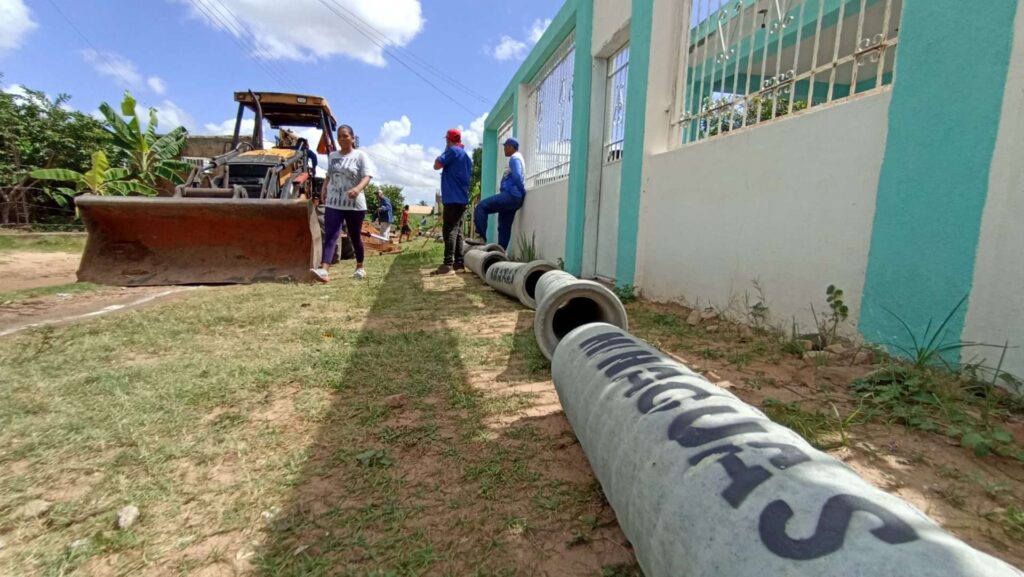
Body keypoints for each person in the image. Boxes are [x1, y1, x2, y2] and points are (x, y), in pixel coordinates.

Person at [311, 124, 376, 282]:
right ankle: (324, 270)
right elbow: (329, 175)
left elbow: (367, 176)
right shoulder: (333, 156)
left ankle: (360, 267)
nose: (342, 139)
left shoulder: (360, 156)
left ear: (352, 138)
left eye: (345, 136)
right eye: (339, 136)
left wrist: (357, 189)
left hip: (354, 205)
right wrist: (324, 188)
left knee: (354, 236)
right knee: (331, 234)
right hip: (334, 202)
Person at [431, 128, 473, 274]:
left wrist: (445, 150)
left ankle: (447, 264)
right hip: (462, 199)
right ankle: (459, 264)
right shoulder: (466, 157)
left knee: (449, 230)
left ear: (448, 140)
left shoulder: (452, 151)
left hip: (451, 198)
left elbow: (436, 165)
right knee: (459, 231)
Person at [473, 137, 525, 250]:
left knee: (481, 206)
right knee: (504, 227)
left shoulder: (515, 158)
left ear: (511, 147)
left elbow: (517, 176)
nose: (504, 149)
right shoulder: (517, 158)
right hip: (515, 198)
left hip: (510, 195)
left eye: (506, 146)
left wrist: (522, 191)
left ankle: (480, 237)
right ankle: (500, 253)